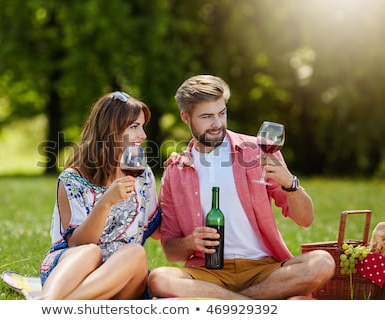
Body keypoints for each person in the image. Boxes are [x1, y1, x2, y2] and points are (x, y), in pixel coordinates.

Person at [147, 75, 335, 299]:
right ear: (186, 118)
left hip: (264, 269)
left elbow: (306, 219)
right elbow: (170, 249)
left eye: (222, 113)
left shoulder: (258, 151)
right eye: (207, 116)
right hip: (207, 272)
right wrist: (189, 242)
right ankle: (253, 303)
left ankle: (226, 302)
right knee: (159, 279)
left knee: (321, 262)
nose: (217, 123)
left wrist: (290, 183)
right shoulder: (176, 171)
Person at [38, 91, 160, 299]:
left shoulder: (143, 174)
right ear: (110, 131)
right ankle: (50, 302)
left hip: (124, 275)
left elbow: (158, 230)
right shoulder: (72, 179)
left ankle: (52, 307)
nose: (143, 135)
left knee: (135, 252)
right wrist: (105, 203)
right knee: (90, 252)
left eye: (142, 126)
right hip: (76, 273)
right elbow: (78, 244)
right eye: (134, 126)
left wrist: (177, 175)